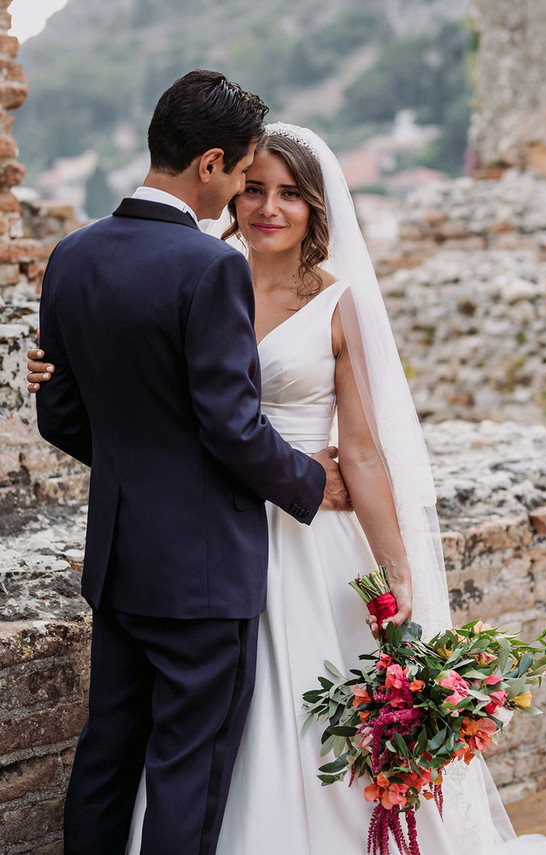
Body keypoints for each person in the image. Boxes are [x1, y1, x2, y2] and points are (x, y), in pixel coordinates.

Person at [28, 124, 546, 854]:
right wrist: (58, 373)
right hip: (210, 543)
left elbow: (366, 454)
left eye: (289, 194)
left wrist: (396, 569)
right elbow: (143, 397)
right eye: (254, 189)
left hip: (310, 542)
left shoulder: (336, 303)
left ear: (317, 208)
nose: (268, 208)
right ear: (229, 188)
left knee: (310, 724)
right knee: (199, 739)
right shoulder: (196, 271)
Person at [29, 73, 354, 855]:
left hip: (119, 559)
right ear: (210, 164)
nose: (246, 189)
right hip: (203, 574)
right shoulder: (209, 266)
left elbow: (61, 413)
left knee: (106, 758)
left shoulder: (71, 256)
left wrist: (142, 465)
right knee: (187, 771)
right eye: (244, 171)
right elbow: (233, 429)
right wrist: (312, 480)